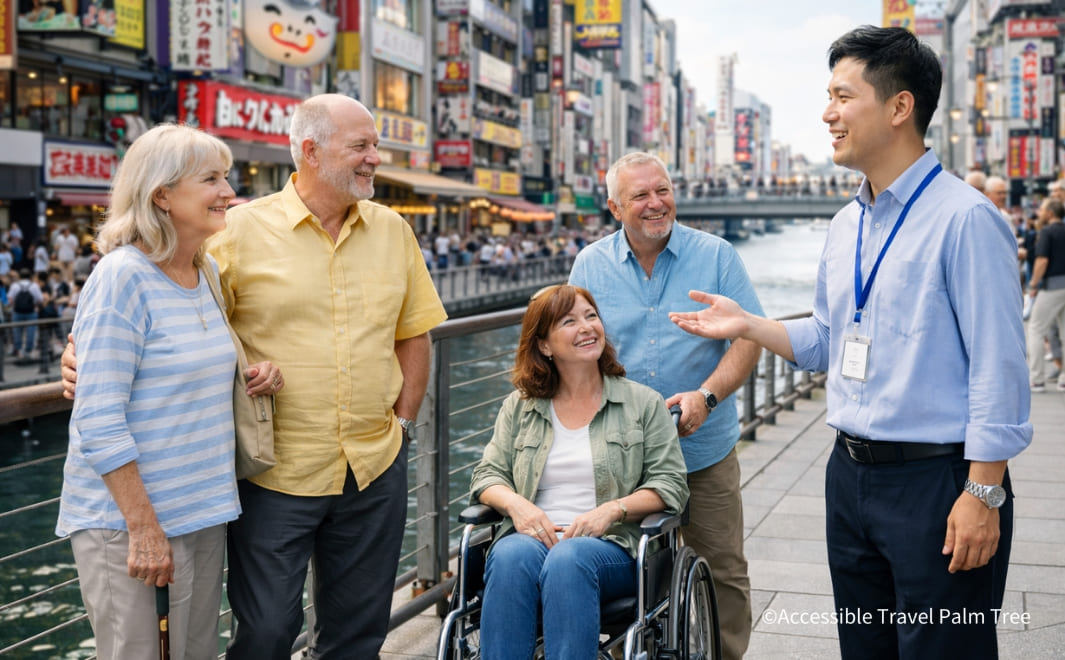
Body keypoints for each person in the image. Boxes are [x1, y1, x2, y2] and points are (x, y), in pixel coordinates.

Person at [669, 26, 1031, 659]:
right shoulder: (846, 224)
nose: (827, 113)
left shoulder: (966, 219)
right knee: (865, 650)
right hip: (850, 480)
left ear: (899, 107)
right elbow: (830, 339)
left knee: (944, 652)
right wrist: (748, 324)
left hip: (937, 483)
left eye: (842, 95)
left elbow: (999, 368)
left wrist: (983, 492)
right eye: (827, 96)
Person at [62, 95, 447, 659]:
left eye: (374, 145)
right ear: (311, 152)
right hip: (272, 473)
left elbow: (414, 331)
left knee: (357, 633)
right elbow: (125, 310)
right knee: (263, 633)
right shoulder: (228, 234)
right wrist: (78, 360)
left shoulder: (391, 232)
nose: (375, 157)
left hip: (366, 464)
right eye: (361, 145)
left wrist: (403, 423)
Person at [55, 124, 283, 660]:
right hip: (132, 524)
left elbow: (189, 363)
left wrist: (255, 371)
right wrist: (144, 529)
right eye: (211, 179)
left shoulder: (202, 271)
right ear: (161, 194)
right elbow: (99, 418)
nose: (229, 192)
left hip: (202, 510)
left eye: (227, 177)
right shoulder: (121, 278)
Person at [568, 151, 763, 660]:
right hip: (623, 454)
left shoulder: (717, 255)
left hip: (704, 448)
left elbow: (748, 338)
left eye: (663, 190)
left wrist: (707, 396)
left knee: (722, 569)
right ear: (614, 207)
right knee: (624, 571)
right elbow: (572, 346)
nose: (656, 204)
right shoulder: (590, 264)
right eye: (640, 196)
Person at [470, 284, 688, 659]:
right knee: (508, 557)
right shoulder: (521, 407)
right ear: (545, 345)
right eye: (569, 321)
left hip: (612, 547)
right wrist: (518, 507)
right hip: (532, 539)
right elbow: (487, 476)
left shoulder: (642, 403)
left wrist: (611, 510)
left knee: (569, 560)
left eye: (591, 316)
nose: (587, 327)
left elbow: (670, 484)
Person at [1026, 198, 1065, 392]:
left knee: (1035, 329)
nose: (1039, 213)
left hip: (1052, 286)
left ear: (1050, 213)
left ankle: (1037, 378)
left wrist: (1033, 284)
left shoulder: (1047, 232)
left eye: (1041, 209)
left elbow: (1042, 260)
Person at [8, 267, 42, 358]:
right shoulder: (34, 285)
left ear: (20, 276)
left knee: (17, 331)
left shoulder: (14, 285)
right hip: (31, 312)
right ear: (30, 276)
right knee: (31, 331)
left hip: (17, 311)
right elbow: (40, 299)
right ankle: (28, 350)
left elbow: (10, 300)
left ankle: (18, 349)